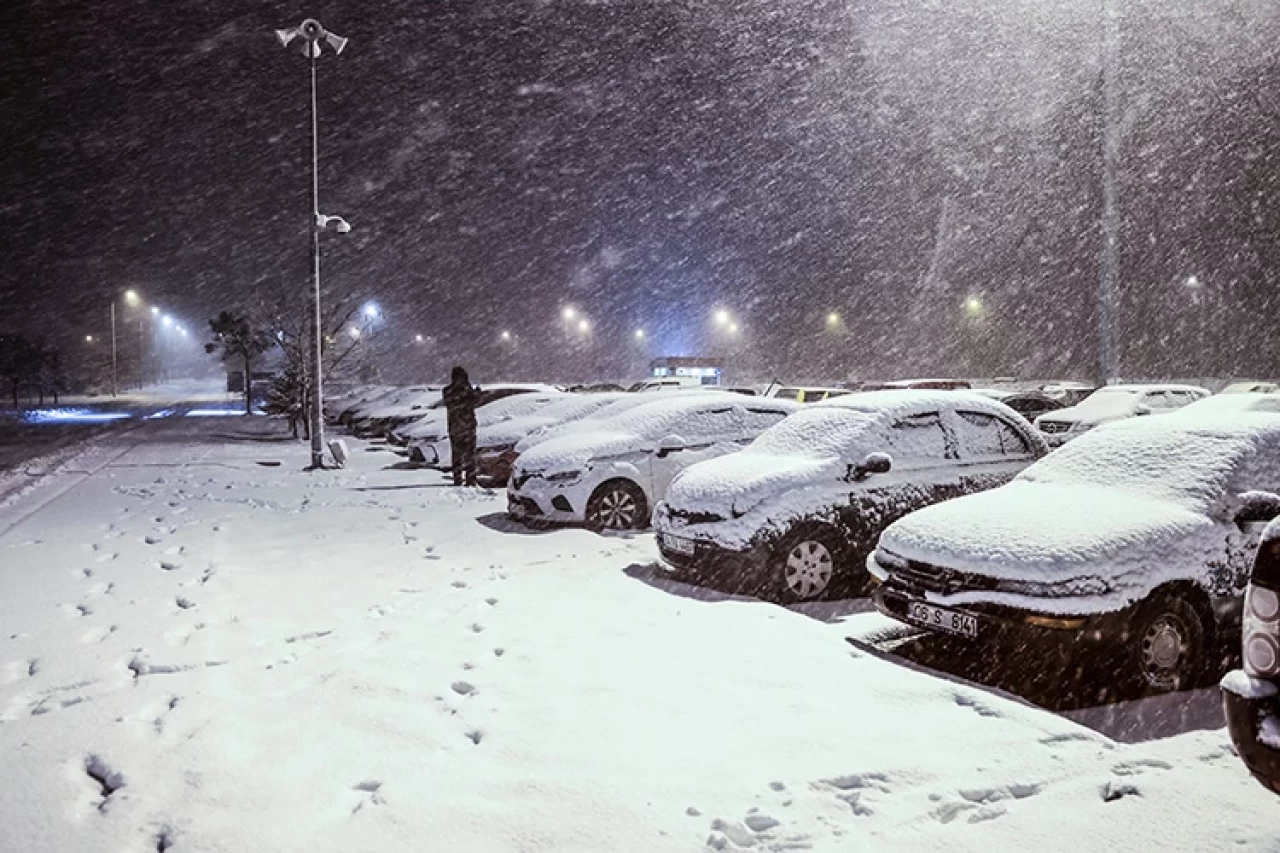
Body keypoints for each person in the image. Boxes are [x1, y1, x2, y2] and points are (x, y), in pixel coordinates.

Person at [442, 366, 480, 486]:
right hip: (466, 427)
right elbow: (472, 402)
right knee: (469, 455)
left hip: (456, 427)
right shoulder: (464, 390)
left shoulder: (448, 390)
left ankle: (459, 478)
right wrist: (475, 393)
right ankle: (470, 478)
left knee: (458, 455)